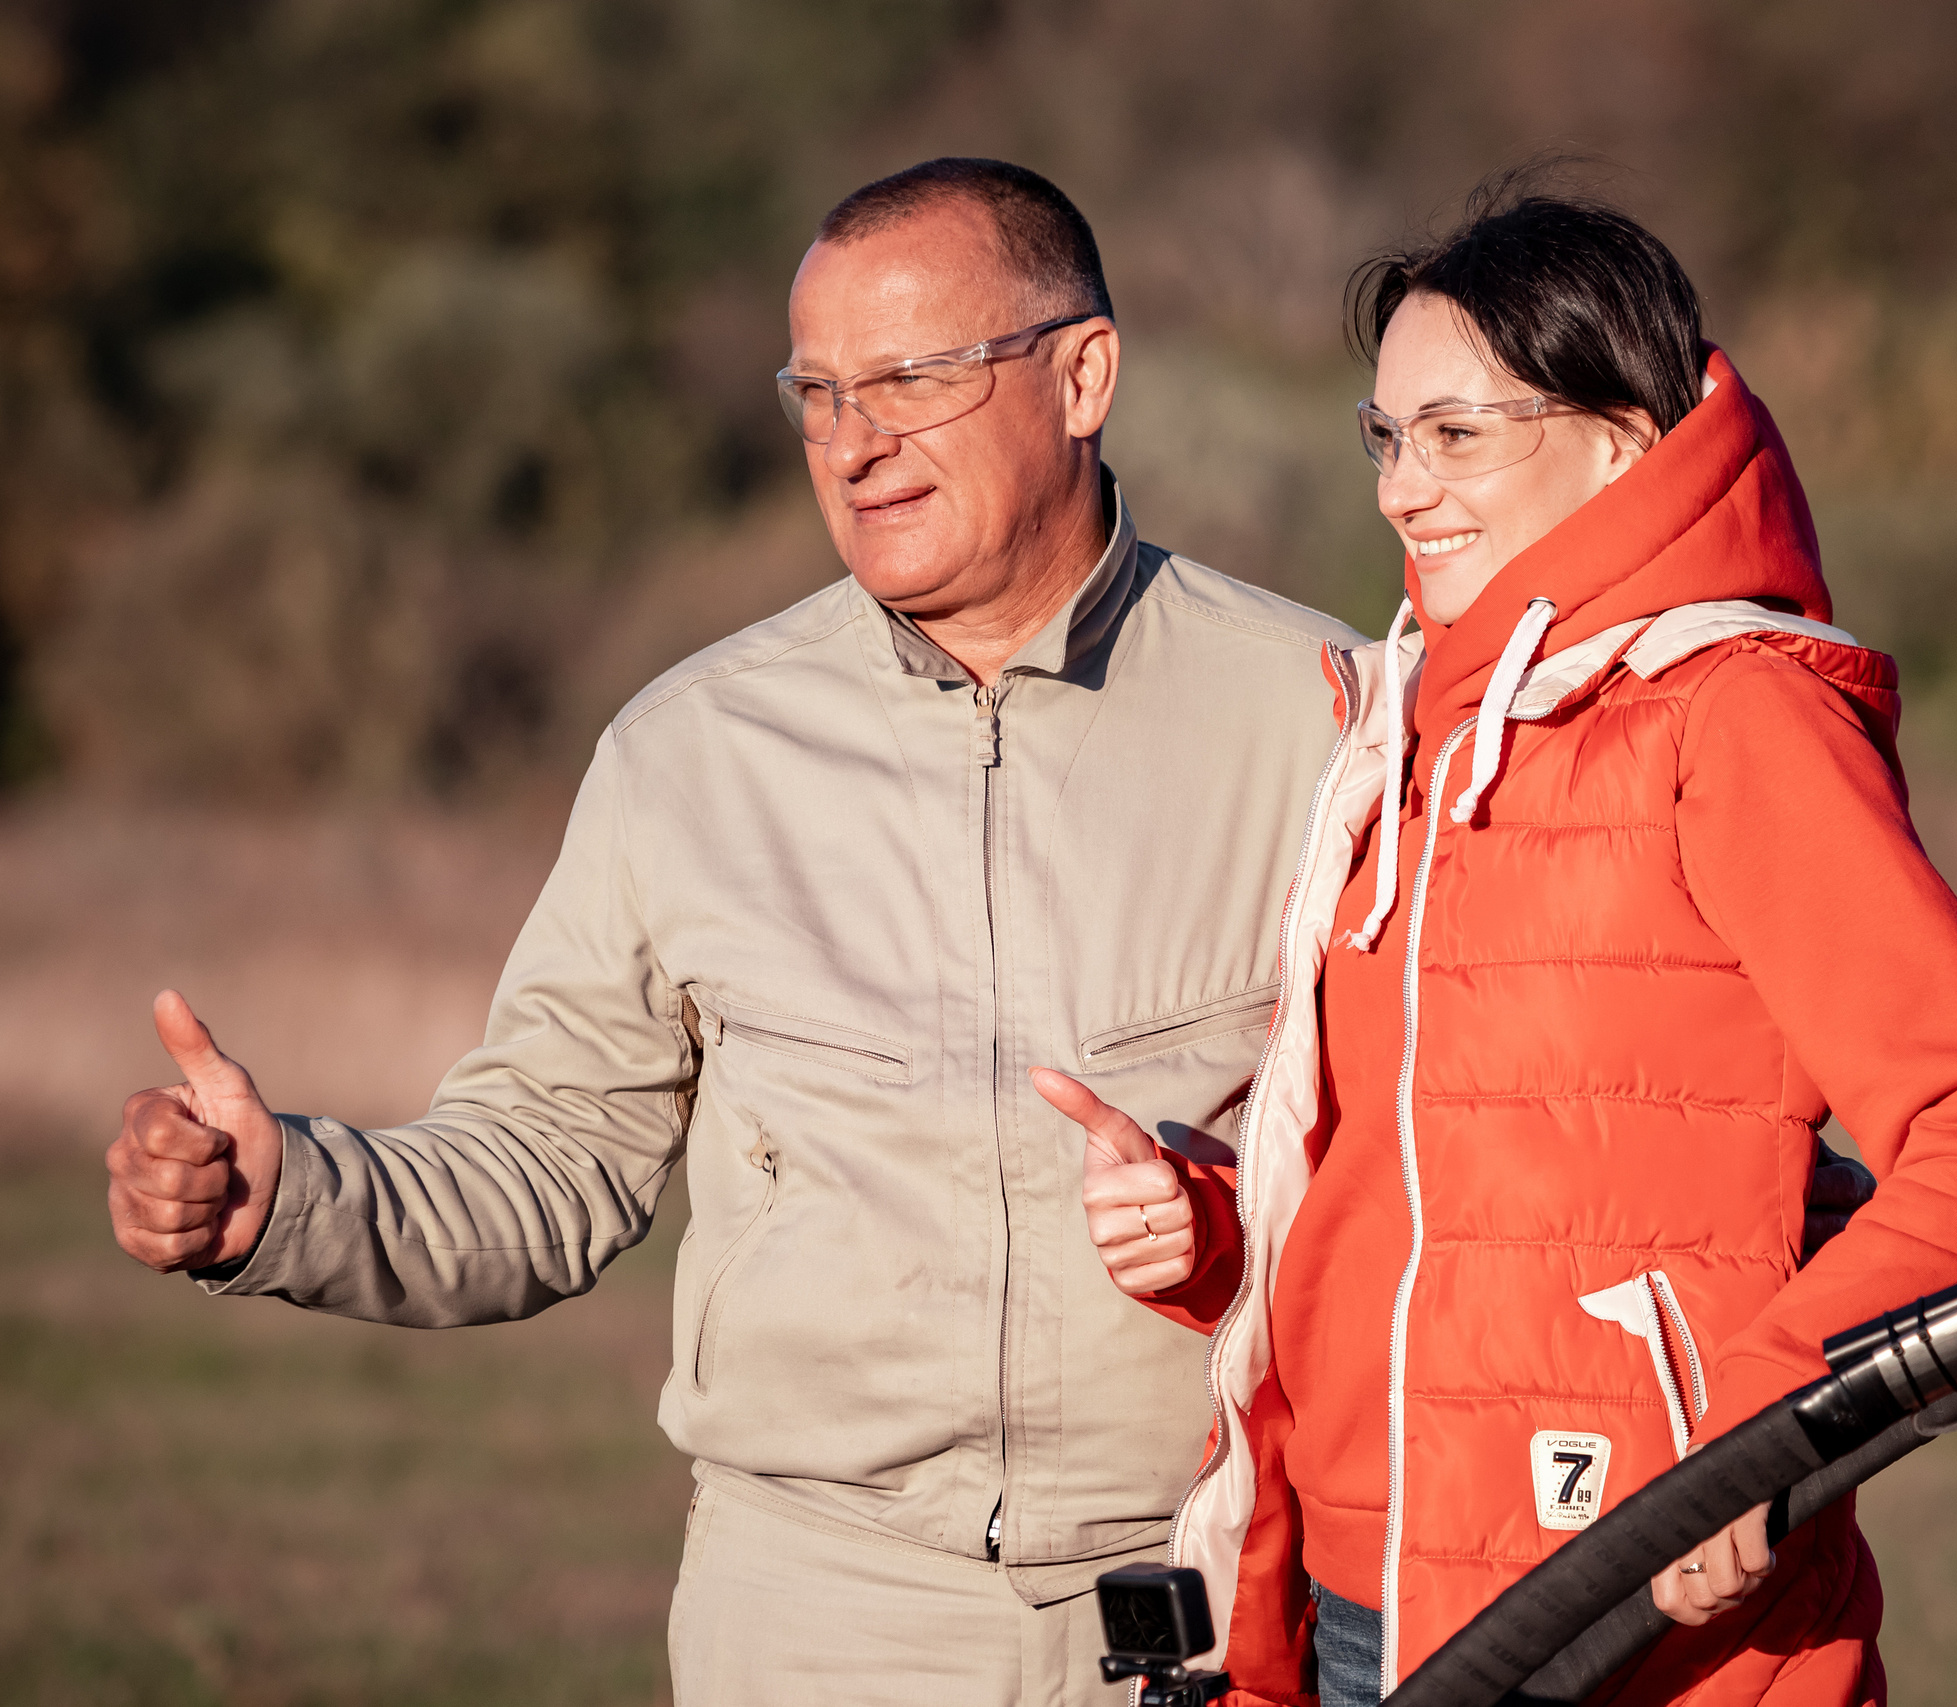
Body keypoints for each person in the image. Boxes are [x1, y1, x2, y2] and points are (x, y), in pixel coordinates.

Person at [99, 158, 1374, 1707]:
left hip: (1214, 1601)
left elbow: (1438, 1179)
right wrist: (282, 1197)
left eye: (913, 377)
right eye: (818, 393)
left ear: (1084, 374)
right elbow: (548, 1160)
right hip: (814, 1623)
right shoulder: (688, 752)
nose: (856, 442)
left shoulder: (1335, 723)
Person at [1042, 183, 1957, 1705]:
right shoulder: (1410, 737)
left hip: (1632, 1616)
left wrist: (1761, 1426)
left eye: (1458, 434)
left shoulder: (1736, 718)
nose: (1403, 490)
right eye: (1385, 437)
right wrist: (1207, 1219)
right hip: (1356, 1596)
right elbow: (1428, 1186)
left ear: (1622, 441)